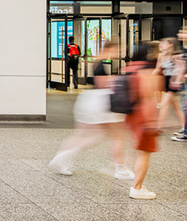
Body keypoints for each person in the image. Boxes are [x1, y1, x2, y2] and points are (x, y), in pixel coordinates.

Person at [49, 40, 134, 181]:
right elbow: (102, 84)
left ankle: (61, 158)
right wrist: (118, 80)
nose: (119, 54)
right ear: (109, 49)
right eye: (117, 50)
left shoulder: (98, 62)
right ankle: (119, 168)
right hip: (100, 103)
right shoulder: (100, 64)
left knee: (88, 135)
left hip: (93, 102)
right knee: (109, 135)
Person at [125, 42, 162, 199]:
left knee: (139, 150)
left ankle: (136, 181)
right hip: (143, 116)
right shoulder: (148, 73)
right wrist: (152, 122)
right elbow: (147, 98)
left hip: (131, 114)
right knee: (144, 152)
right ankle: (137, 188)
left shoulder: (130, 68)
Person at [153, 38, 185, 132]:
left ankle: (158, 127)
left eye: (163, 43)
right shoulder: (161, 56)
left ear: (170, 45)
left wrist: (177, 81)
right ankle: (185, 126)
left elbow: (180, 70)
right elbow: (157, 69)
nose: (160, 45)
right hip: (166, 81)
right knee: (176, 106)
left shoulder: (177, 56)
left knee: (164, 105)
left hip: (174, 81)